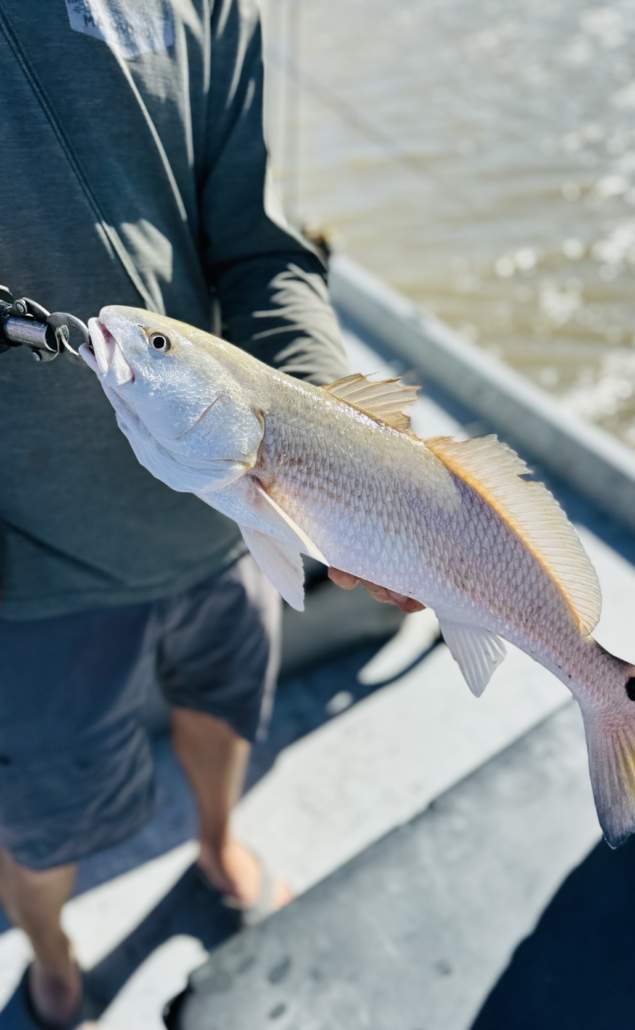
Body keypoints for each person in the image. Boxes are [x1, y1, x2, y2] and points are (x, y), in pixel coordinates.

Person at [0, 2, 419, 1025]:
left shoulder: (212, 8)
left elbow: (257, 246)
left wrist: (331, 442)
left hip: (234, 509)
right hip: (35, 576)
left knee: (227, 699)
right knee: (42, 816)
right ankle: (50, 954)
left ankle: (215, 842)